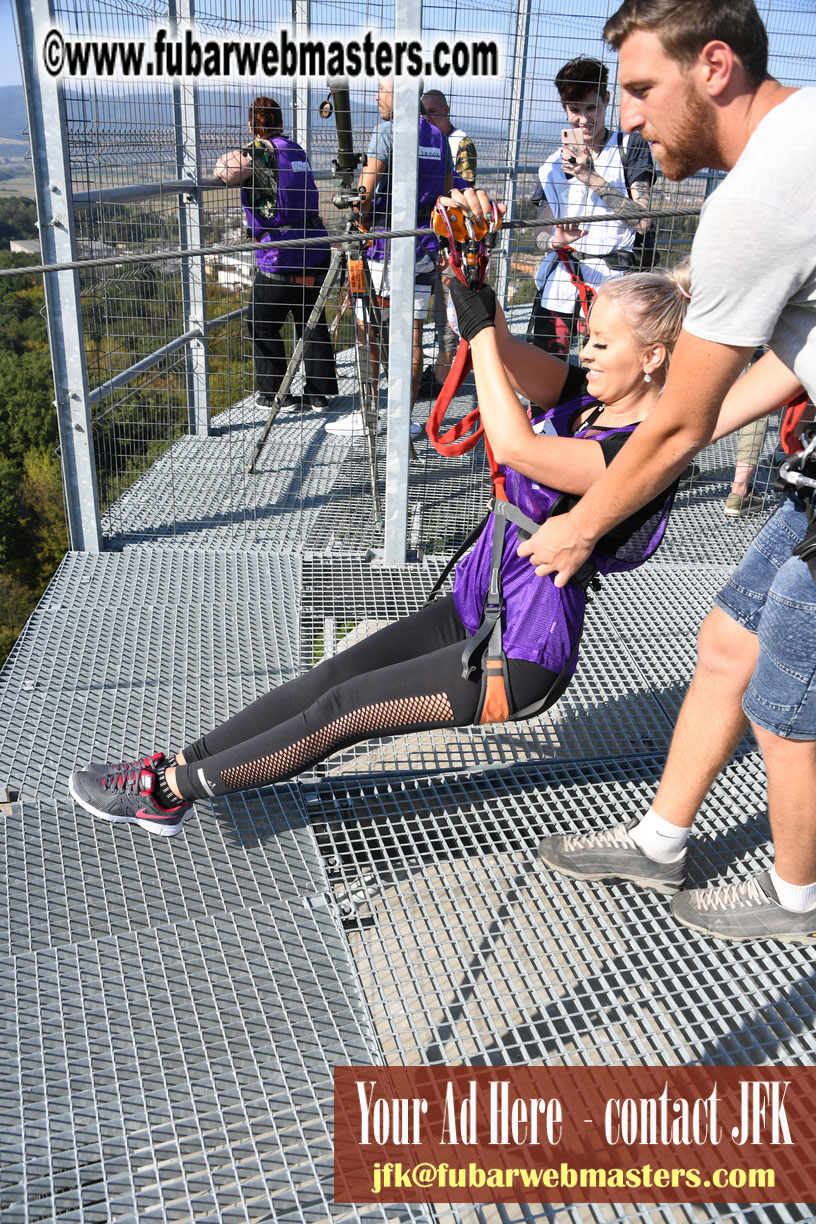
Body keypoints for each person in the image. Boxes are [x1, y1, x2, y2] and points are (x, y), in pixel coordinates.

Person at [67, 267, 690, 836]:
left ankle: (166, 794)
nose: (585, 352)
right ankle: (179, 764)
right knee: (331, 676)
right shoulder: (587, 399)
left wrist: (478, 335)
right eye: (587, 338)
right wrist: (475, 284)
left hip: (521, 651)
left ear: (653, 357)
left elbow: (518, 448)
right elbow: (502, 348)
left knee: (345, 710)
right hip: (479, 604)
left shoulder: (636, 453)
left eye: (600, 343)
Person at [522, 0, 816, 942]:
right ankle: (661, 842)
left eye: (644, 88)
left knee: (785, 699)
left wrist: (580, 527)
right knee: (731, 637)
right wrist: (676, 427)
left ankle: (799, 899)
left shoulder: (758, 197)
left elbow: (680, 422)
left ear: (715, 67)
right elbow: (786, 365)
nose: (631, 118)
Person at [325, 80, 453, 439]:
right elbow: (444, 195)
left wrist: (356, 211)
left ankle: (368, 415)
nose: (377, 97)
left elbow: (364, 194)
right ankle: (401, 421)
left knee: (368, 330)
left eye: (382, 89)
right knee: (413, 338)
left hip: (384, 250)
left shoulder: (387, 132)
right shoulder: (438, 136)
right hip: (423, 249)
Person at [215, 95, 338, 412]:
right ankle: (318, 394)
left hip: (280, 255)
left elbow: (226, 172)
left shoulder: (259, 150)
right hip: (315, 249)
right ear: (280, 122)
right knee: (310, 319)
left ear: (251, 124)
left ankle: (273, 394)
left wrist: (238, 151)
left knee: (262, 322)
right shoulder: (295, 149)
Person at [529, 56, 655, 356]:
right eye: (575, 110)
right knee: (547, 365)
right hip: (562, 278)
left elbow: (643, 221)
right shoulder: (552, 166)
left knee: (606, 368)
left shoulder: (629, 147)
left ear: (606, 100)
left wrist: (590, 176)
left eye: (591, 108)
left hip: (614, 281)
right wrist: (555, 240)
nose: (584, 120)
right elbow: (538, 234)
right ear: (564, 108)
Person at [420, 89, 478, 394]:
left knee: (446, 308)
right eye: (423, 111)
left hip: (452, 235)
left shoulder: (458, 142)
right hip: (427, 234)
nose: (427, 117)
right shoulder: (423, 138)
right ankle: (435, 371)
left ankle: (444, 376)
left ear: (446, 109)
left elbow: (463, 190)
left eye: (433, 111)